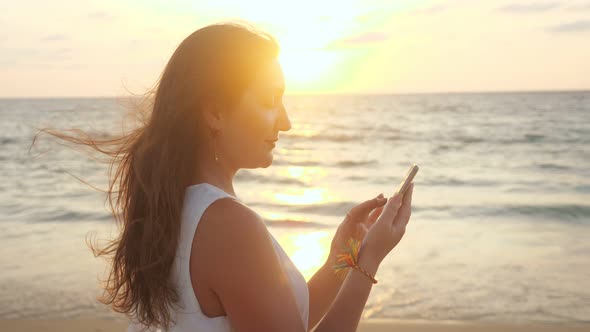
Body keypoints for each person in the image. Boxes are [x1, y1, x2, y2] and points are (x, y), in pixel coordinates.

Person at [34, 22, 414, 332]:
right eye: (269, 101)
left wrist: (343, 258)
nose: (286, 120)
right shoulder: (230, 226)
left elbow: (280, 320)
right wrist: (371, 262)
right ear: (215, 111)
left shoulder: (174, 207)